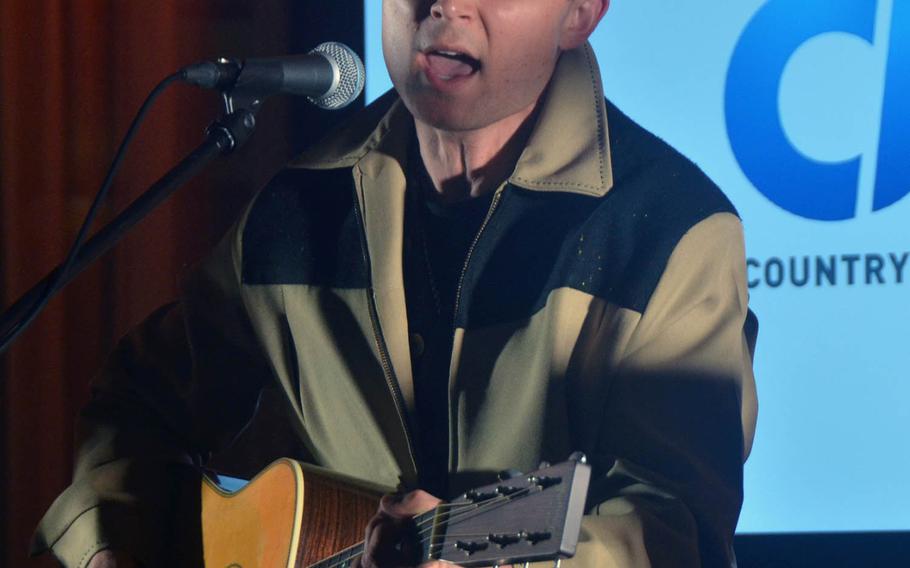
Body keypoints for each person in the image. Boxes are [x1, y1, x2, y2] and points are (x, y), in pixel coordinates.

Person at [33, 0, 759, 566]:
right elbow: (133, 407)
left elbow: (676, 529)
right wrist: (110, 543)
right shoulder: (297, 210)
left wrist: (494, 560)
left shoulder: (669, 231)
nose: (443, 6)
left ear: (580, 13)